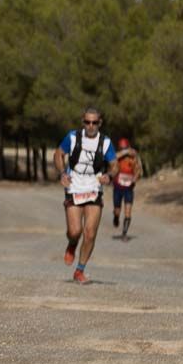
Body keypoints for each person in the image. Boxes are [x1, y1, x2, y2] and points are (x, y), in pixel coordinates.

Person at [52, 108, 117, 284]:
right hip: (74, 186)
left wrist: (109, 176)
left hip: (94, 188)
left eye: (94, 122)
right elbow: (59, 154)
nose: (90, 126)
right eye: (87, 122)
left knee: (90, 234)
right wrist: (61, 173)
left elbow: (114, 164)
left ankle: (79, 270)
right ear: (83, 122)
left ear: (100, 123)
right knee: (75, 231)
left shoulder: (105, 142)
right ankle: (72, 244)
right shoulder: (73, 137)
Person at [112, 137, 142, 240]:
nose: (124, 150)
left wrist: (134, 179)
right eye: (122, 148)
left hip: (128, 188)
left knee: (128, 211)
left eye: (125, 148)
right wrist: (125, 152)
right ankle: (116, 217)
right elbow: (112, 158)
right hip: (117, 187)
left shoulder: (133, 157)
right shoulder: (117, 157)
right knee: (117, 210)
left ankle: (124, 233)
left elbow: (138, 170)